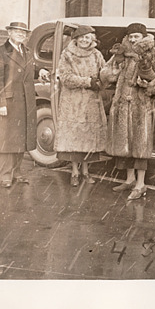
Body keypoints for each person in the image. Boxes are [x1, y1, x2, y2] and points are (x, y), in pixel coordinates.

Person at [100, 22, 155, 200]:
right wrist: (115, 68)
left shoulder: (154, 53)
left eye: (136, 36)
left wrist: (150, 85)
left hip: (141, 106)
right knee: (124, 145)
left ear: (143, 37)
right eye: (131, 36)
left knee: (140, 145)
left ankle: (141, 184)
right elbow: (104, 73)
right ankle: (129, 180)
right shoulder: (123, 52)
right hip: (122, 105)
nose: (133, 39)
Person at [0, 21, 39, 188]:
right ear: (9, 33)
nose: (20, 34)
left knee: (21, 139)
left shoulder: (27, 52)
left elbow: (28, 70)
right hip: (8, 103)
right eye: (17, 31)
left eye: (23, 32)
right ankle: (5, 175)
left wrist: (41, 71)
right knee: (7, 141)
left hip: (25, 102)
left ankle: (17, 172)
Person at [53, 25, 107, 187]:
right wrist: (88, 82)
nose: (85, 40)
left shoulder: (97, 55)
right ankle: (75, 173)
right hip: (73, 102)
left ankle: (86, 171)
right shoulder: (67, 54)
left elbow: (104, 72)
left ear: (92, 40)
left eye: (88, 37)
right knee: (74, 138)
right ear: (76, 39)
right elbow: (66, 77)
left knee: (88, 138)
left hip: (91, 103)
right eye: (82, 37)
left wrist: (106, 77)